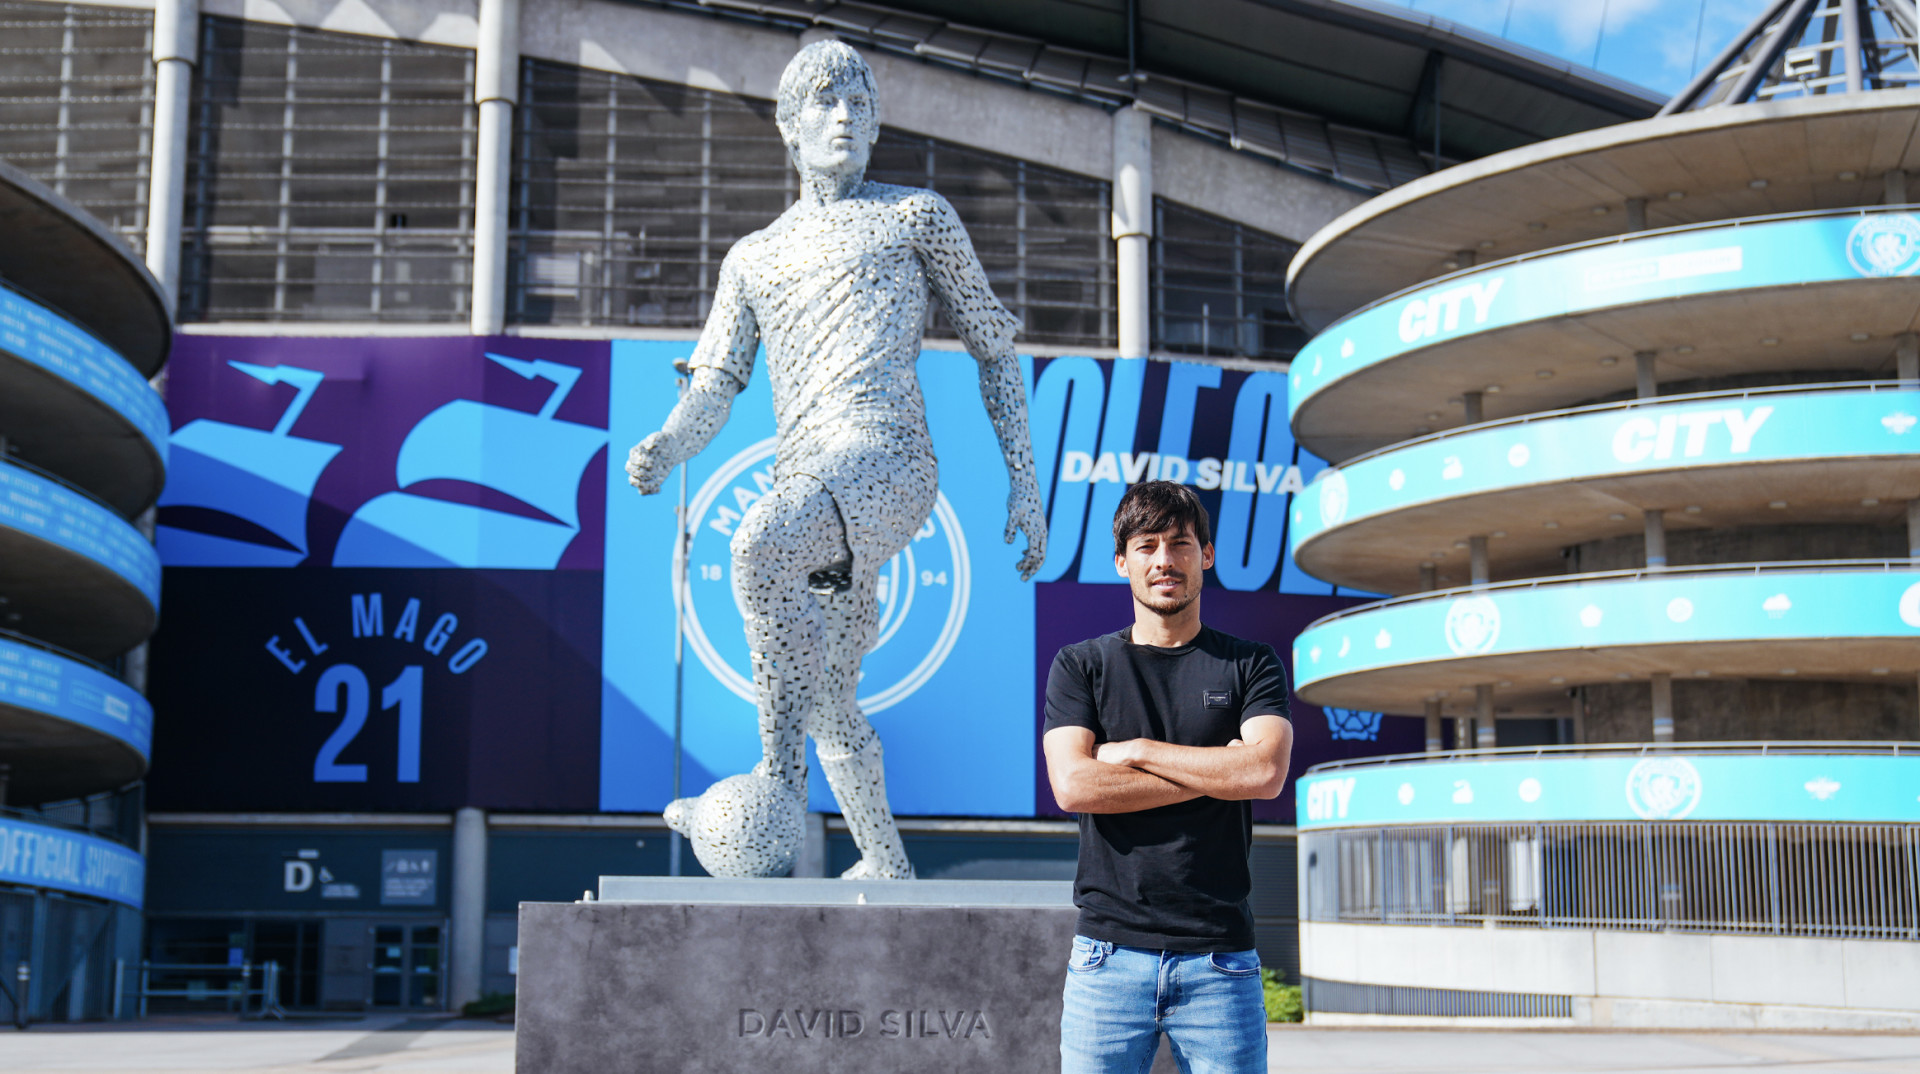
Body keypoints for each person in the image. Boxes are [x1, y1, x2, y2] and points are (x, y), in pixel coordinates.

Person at [625, 39, 1047, 880]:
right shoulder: (753, 258)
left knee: (756, 545)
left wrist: (1025, 488)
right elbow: (714, 388)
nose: (847, 116)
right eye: (825, 101)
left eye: (861, 102)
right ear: (788, 126)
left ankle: (775, 782)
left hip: (886, 461)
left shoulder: (914, 216)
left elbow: (995, 350)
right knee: (830, 698)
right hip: (811, 484)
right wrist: (670, 444)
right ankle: (883, 860)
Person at [1042, 481, 1293, 1073]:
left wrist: (1136, 750)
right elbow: (1075, 786)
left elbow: (1264, 771)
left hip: (1220, 961)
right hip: (1107, 958)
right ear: (1121, 561)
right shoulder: (1081, 666)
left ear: (1205, 555)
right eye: (1147, 544)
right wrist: (1218, 770)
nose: (1164, 560)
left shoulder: (1250, 663)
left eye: (1180, 544)